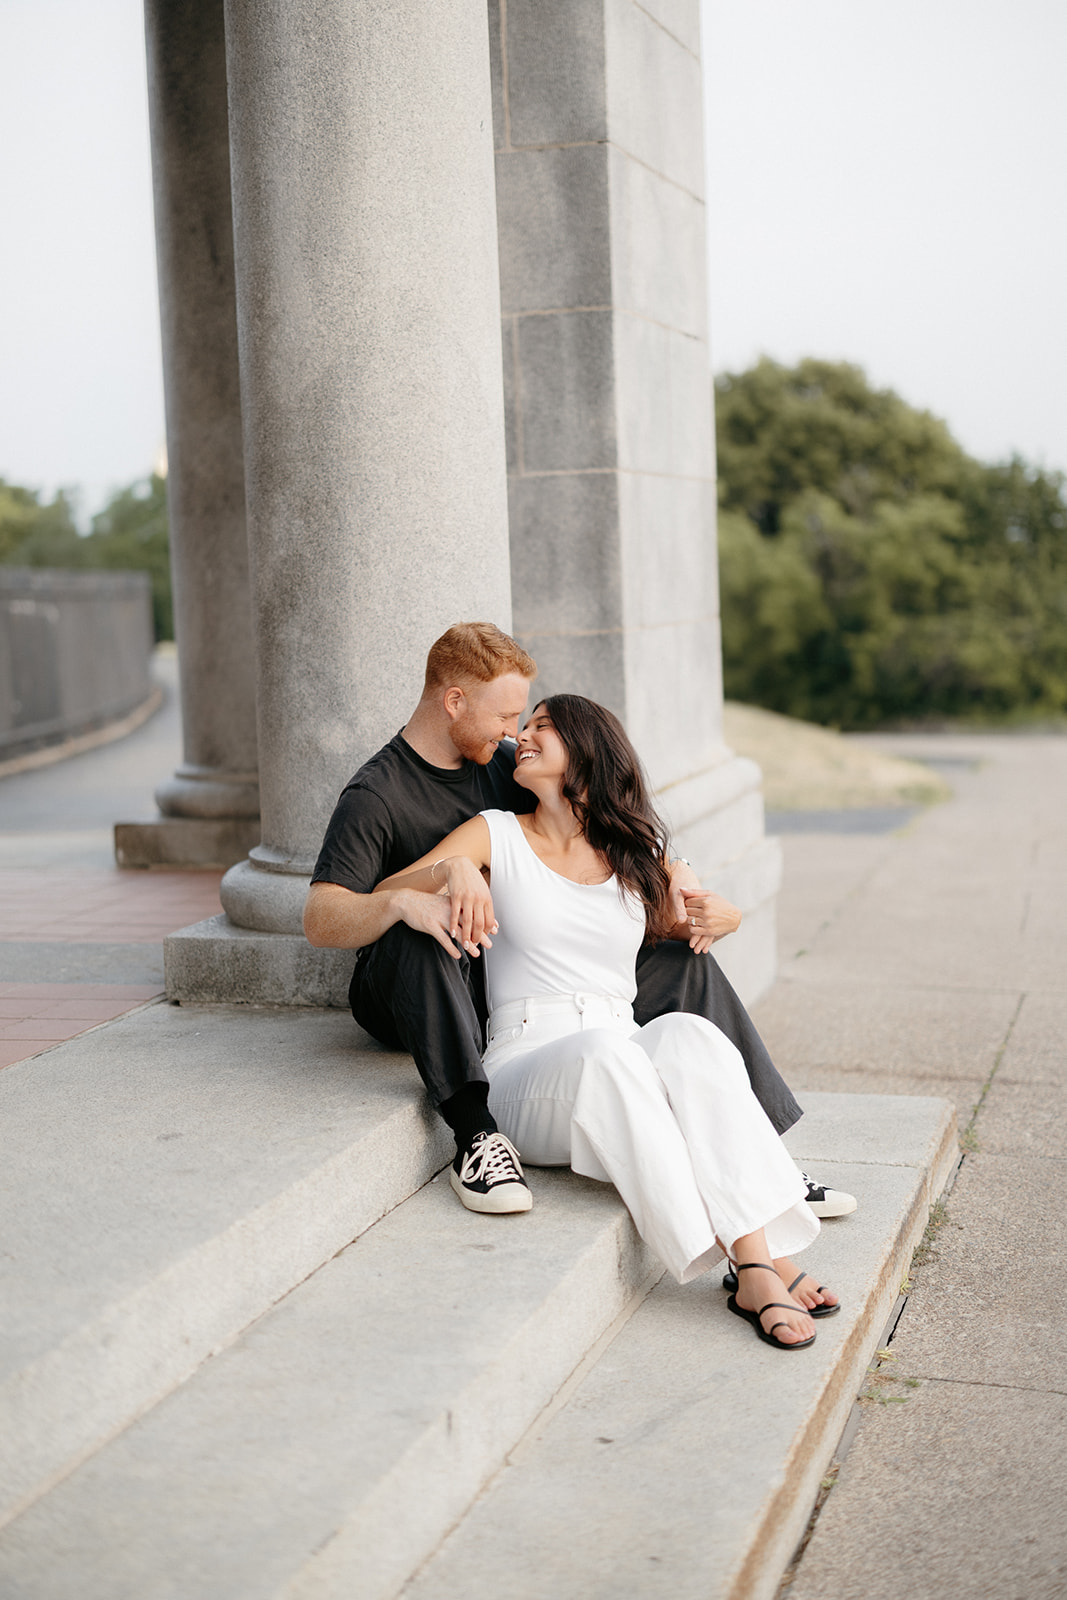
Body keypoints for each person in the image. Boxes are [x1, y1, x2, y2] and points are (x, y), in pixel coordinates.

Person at [304, 622, 856, 1221]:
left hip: (514, 964)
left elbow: (603, 814)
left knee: (678, 960)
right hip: (418, 983)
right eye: (506, 716)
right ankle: (476, 1137)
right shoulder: (377, 793)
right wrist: (412, 895)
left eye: (524, 720)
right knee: (428, 926)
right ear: (454, 701)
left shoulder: (505, 761)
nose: (515, 732)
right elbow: (320, 917)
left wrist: (676, 872)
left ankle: (762, 1154)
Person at [374, 693, 840, 1349]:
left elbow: (687, 915)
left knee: (690, 1036)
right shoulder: (494, 832)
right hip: (526, 1068)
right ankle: (754, 1260)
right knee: (610, 1054)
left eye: (543, 728)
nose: (524, 737)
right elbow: (390, 889)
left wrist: (720, 913)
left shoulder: (634, 848)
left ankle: (753, 1257)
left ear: (587, 754)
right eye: (524, 725)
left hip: (620, 1050)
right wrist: (452, 867)